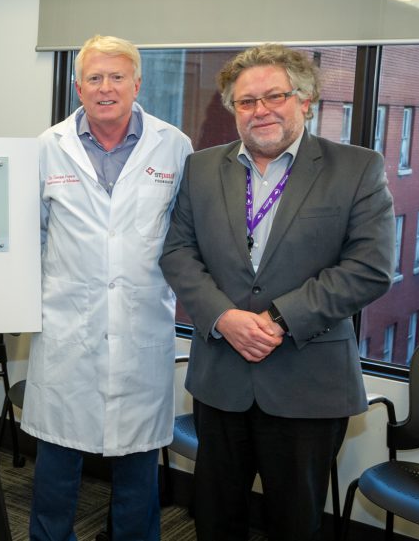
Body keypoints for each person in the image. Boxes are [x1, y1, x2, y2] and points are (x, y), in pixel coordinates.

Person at [159, 44, 395, 541]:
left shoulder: (356, 168)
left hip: (307, 385)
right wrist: (224, 317)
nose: (260, 110)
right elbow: (178, 253)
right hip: (220, 381)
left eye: (275, 96)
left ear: (304, 100)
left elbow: (371, 268)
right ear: (233, 109)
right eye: (246, 101)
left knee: (294, 524)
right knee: (215, 519)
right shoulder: (202, 169)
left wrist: (279, 320)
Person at [22, 35, 192, 541]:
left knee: (139, 463)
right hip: (66, 326)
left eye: (117, 76)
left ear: (137, 83)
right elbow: (33, 235)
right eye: (94, 78)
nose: (106, 88)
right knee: (56, 460)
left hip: (142, 326)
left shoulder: (174, 146)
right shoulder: (47, 147)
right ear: (78, 87)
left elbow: (185, 237)